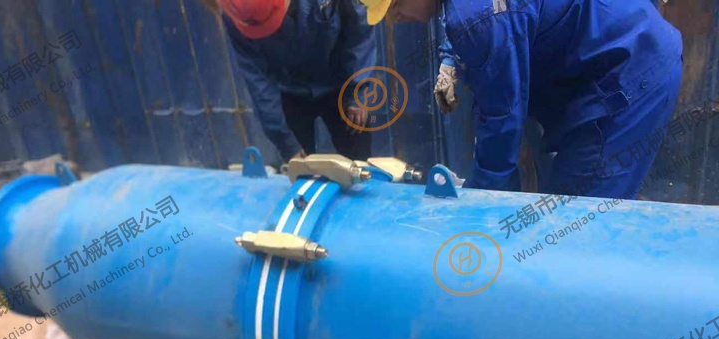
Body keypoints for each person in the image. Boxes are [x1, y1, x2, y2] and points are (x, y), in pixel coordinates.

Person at [361, 0, 683, 199]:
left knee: (577, 222)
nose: (396, 18)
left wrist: (483, 202)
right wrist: (450, 56)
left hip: (630, 74)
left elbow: (502, 119)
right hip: (616, 55)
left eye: (396, 5)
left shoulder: (476, 17)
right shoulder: (472, 15)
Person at [217, 0, 377, 163]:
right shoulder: (237, 15)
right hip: (289, 88)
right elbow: (258, 78)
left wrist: (358, 91)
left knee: (359, 164)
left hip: (341, 82)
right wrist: (285, 142)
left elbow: (359, 34)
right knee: (298, 167)